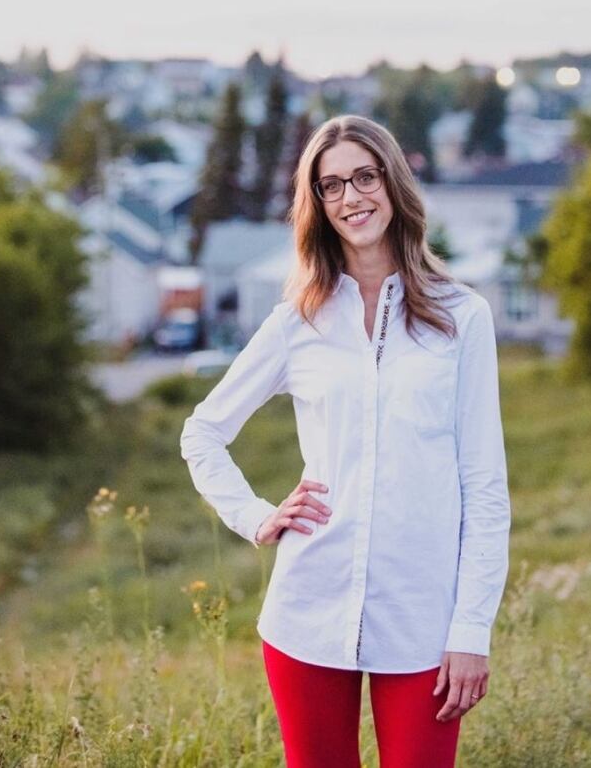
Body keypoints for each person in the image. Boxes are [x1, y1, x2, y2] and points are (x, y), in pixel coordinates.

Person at [180, 114, 512, 768]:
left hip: (422, 620)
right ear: (318, 204)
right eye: (331, 185)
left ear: (393, 183)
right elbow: (203, 432)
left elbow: (485, 487)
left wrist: (471, 629)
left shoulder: (461, 318)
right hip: (308, 610)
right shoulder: (296, 321)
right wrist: (257, 516)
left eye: (365, 176)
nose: (351, 197)